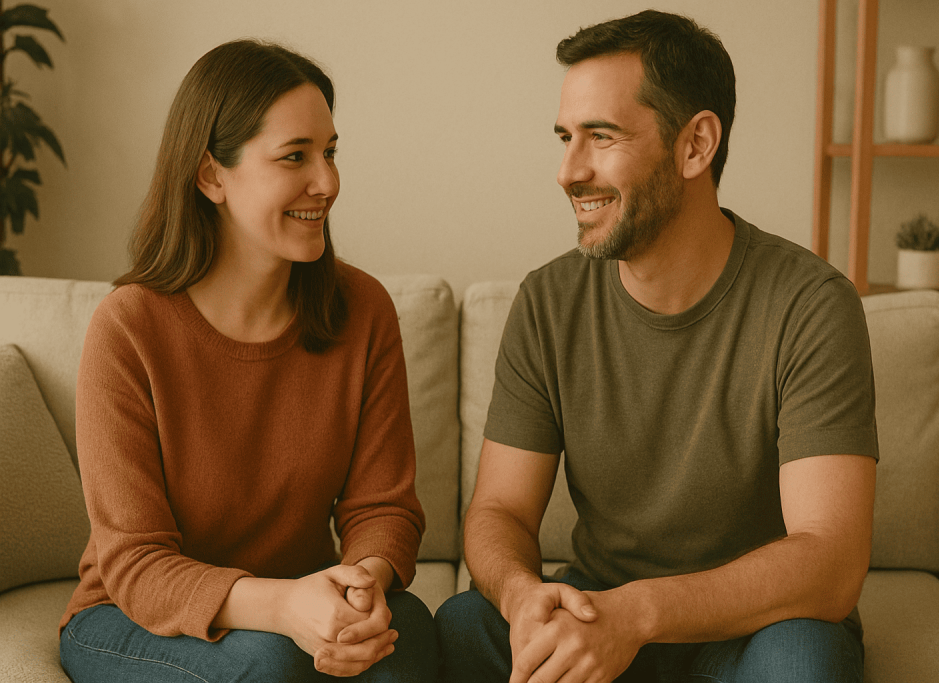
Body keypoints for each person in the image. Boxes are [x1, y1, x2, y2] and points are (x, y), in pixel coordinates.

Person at [435, 10, 878, 683]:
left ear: (695, 144)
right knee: (464, 625)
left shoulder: (810, 304)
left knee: (801, 663)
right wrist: (521, 594)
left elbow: (830, 560)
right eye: (565, 137)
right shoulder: (547, 302)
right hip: (596, 605)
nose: (567, 171)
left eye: (601, 137)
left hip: (751, 626)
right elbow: (500, 510)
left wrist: (638, 614)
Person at [58, 39, 439, 682]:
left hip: (303, 601)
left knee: (414, 637)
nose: (328, 182)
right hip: (128, 618)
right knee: (265, 664)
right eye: (296, 157)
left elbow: (384, 508)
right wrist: (284, 605)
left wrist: (362, 589)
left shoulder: (363, 309)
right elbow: (136, 563)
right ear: (211, 176)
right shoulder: (128, 328)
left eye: (331, 152)